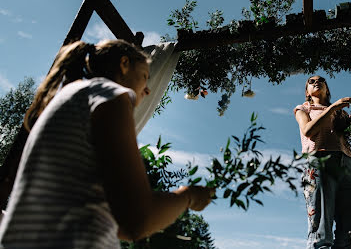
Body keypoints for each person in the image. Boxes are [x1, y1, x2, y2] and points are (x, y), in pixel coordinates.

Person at [0, 40, 214, 248]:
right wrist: (189, 196)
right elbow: (136, 221)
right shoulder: (108, 94)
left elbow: (115, 221)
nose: (147, 90)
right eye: (144, 77)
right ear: (124, 65)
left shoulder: (71, 99)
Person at [294, 75, 351, 249]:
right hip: (318, 161)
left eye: (320, 80)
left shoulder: (341, 113)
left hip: (347, 164)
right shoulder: (304, 108)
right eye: (311, 81)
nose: (316, 82)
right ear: (307, 92)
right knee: (321, 225)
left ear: (327, 89)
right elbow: (308, 131)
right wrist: (332, 108)